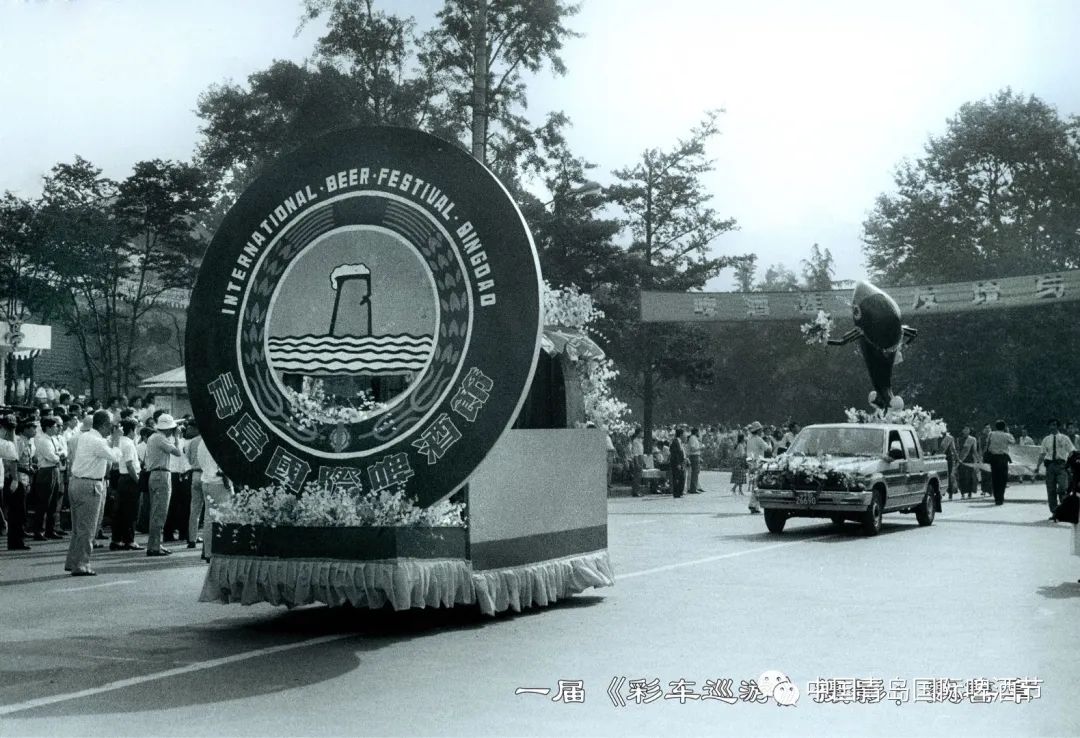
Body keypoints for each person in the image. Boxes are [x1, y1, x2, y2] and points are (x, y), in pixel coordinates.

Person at [65, 410, 122, 576]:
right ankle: (81, 564)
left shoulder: (85, 436)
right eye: (110, 426)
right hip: (90, 484)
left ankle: (73, 561)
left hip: (76, 481)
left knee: (78, 527)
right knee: (88, 528)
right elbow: (115, 457)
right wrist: (117, 440)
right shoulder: (98, 441)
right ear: (104, 425)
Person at [145, 413, 183, 556]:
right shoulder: (160, 439)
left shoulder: (153, 437)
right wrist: (177, 438)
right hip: (161, 474)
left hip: (155, 475)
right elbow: (178, 452)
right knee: (159, 512)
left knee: (156, 511)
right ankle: (155, 546)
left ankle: (155, 544)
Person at [109, 418, 143, 551]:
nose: (136, 432)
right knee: (131, 511)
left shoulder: (119, 442)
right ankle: (129, 540)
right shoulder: (128, 443)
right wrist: (138, 481)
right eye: (136, 430)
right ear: (131, 430)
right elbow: (130, 465)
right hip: (130, 478)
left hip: (122, 478)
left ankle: (117, 540)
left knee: (120, 511)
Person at [30, 416, 64, 540]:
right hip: (46, 471)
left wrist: (59, 454)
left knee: (53, 502)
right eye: (55, 426)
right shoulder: (43, 441)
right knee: (44, 502)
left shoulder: (53, 439)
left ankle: (50, 529)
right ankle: (38, 531)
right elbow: (52, 457)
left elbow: (62, 451)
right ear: (48, 427)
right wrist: (59, 455)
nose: (57, 428)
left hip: (54, 469)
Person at [1037, 418, 1075, 516]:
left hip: (1061, 465)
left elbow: (1071, 451)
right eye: (1050, 425)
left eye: (1054, 425)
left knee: (1063, 487)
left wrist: (1071, 463)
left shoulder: (1064, 438)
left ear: (1058, 426)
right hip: (1050, 466)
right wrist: (1037, 466)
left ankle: (1064, 507)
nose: (1052, 427)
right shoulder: (1046, 439)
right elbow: (1042, 454)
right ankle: (1054, 512)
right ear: (1049, 427)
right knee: (1051, 489)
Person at [10, 418, 38, 550]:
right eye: (32, 427)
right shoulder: (20, 442)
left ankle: (19, 536)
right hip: (20, 477)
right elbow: (14, 461)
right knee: (18, 510)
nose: (34, 430)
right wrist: (26, 470)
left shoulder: (28, 442)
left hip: (26, 478)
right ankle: (16, 540)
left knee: (23, 509)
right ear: (25, 429)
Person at [985, 419, 1015, 506]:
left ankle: (996, 498)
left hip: (993, 458)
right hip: (1003, 458)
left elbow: (987, 445)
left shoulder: (991, 434)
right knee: (1003, 478)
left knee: (995, 478)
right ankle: (1001, 497)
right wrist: (1008, 432)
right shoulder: (1007, 435)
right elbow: (1013, 442)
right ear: (1004, 427)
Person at [185, 422, 205, 548]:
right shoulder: (207, 441)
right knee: (208, 509)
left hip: (195, 474)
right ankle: (208, 540)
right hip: (207, 474)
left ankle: (192, 538)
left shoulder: (191, 442)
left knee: (194, 508)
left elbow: (188, 457)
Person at [746, 421, 769, 513]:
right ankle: (753, 505)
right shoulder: (759, 439)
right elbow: (767, 448)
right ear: (758, 430)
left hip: (751, 462)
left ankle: (754, 505)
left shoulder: (749, 440)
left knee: (754, 484)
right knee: (757, 484)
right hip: (758, 463)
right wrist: (767, 441)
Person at [956, 425, 979, 499]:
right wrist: (957, 459)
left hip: (970, 459)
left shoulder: (973, 439)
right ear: (962, 431)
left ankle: (969, 493)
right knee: (962, 476)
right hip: (961, 460)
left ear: (969, 430)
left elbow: (975, 450)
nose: (966, 430)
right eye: (965, 429)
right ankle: (962, 493)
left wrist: (978, 460)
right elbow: (957, 450)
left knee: (970, 477)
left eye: (967, 429)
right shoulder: (959, 439)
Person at [940, 425, 958, 500]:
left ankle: (950, 493)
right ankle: (940, 493)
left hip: (948, 458)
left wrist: (957, 458)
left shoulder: (949, 438)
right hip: (939, 458)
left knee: (948, 475)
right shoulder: (936, 437)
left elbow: (953, 449)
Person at [669, 428, 687, 498]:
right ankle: (677, 493)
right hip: (677, 463)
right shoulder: (675, 442)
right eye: (684, 434)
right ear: (681, 435)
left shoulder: (680, 442)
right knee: (677, 478)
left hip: (681, 462)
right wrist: (678, 463)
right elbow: (675, 454)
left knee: (682, 477)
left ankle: (680, 492)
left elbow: (681, 452)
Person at [686, 427, 703, 494]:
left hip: (696, 455)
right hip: (694, 456)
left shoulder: (695, 438)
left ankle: (694, 487)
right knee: (694, 473)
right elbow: (692, 449)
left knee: (696, 472)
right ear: (696, 432)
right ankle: (693, 488)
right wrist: (700, 448)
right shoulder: (692, 438)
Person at [977, 423, 992, 496]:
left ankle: (990, 491)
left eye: (989, 428)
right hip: (984, 457)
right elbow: (980, 448)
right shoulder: (981, 437)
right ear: (984, 429)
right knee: (984, 474)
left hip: (992, 456)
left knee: (991, 474)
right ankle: (983, 490)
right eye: (986, 428)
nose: (987, 429)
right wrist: (980, 457)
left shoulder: (992, 436)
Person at [629, 427, 645, 497]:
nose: (642, 434)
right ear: (638, 433)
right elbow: (635, 453)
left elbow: (641, 451)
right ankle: (635, 491)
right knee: (637, 475)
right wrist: (637, 462)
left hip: (641, 457)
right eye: (641, 432)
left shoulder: (640, 440)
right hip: (637, 458)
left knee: (639, 476)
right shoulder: (635, 441)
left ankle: (638, 490)